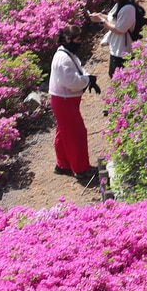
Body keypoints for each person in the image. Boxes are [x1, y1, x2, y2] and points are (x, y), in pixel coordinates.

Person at [49, 25, 98, 182]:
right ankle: (81, 168)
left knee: (64, 132)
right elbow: (71, 82)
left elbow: (79, 69)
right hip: (64, 100)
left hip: (65, 100)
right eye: (77, 40)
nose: (80, 43)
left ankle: (63, 164)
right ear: (68, 39)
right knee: (76, 133)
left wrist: (88, 77)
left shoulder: (67, 53)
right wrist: (87, 80)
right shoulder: (63, 58)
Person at [91, 0, 136, 80]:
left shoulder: (128, 8)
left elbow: (120, 29)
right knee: (113, 76)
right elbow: (114, 19)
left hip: (123, 51)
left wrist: (102, 21)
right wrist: (101, 16)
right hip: (116, 48)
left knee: (121, 79)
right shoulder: (119, 3)